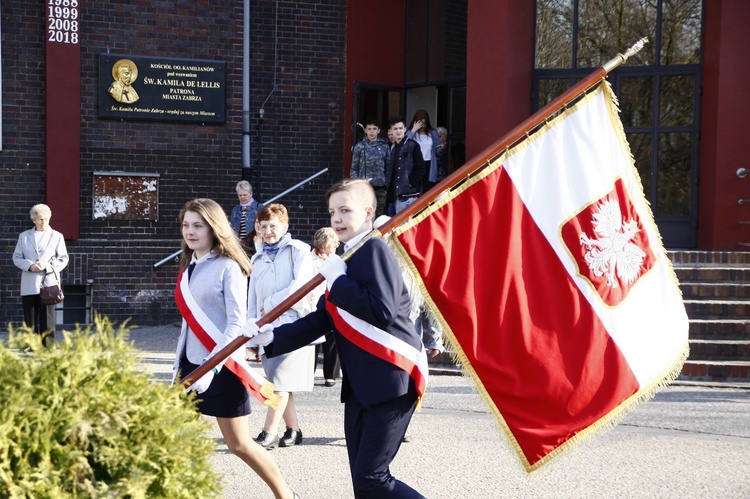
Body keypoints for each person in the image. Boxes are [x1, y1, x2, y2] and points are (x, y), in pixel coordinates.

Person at [243, 179, 428, 498]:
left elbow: (381, 310)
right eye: (332, 212)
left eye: (345, 210)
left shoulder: (373, 249)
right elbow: (323, 318)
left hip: (391, 379)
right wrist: (270, 337)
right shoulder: (346, 255)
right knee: (363, 484)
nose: (337, 218)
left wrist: (339, 281)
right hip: (362, 387)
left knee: (373, 479)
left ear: (368, 213)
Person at [171, 198, 298, 499]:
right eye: (186, 225)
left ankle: (285, 494)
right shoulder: (188, 265)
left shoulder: (229, 267)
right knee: (172, 439)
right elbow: (188, 325)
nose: (190, 231)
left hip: (222, 368)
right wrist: (179, 367)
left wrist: (211, 367)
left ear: (214, 228)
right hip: (192, 366)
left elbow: (236, 325)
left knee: (239, 444)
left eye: (198, 225)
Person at [248, 203, 317, 449]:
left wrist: (273, 302)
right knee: (282, 382)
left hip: (294, 326)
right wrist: (251, 335)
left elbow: (302, 286)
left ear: (285, 226)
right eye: (263, 226)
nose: (268, 231)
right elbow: (253, 300)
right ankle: (294, 429)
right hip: (267, 331)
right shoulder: (257, 258)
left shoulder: (298, 250)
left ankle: (269, 432)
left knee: (277, 384)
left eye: (273, 225)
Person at [13, 203, 69, 346]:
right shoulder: (24, 237)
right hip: (29, 282)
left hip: (48, 281)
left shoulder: (57, 236)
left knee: (47, 317)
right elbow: (17, 258)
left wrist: (48, 266)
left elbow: (63, 258)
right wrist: (30, 266)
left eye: (46, 218)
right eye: (40, 219)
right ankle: (31, 346)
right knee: (30, 317)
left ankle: (48, 346)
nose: (43, 222)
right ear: (34, 220)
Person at [310, 227, 341, 387]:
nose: (337, 244)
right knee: (313, 340)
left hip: (332, 301)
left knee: (332, 340)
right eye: (333, 241)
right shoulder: (309, 260)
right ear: (323, 243)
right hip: (314, 302)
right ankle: (309, 372)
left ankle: (331, 375)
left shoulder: (337, 259)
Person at [350, 116, 390, 217]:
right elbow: (354, 167)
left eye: (374, 129)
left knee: (379, 214)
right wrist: (356, 184)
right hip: (364, 186)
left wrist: (386, 183)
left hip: (380, 186)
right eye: (369, 129)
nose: (372, 132)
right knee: (364, 214)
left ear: (379, 130)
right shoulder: (359, 146)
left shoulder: (384, 146)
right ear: (365, 130)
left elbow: (388, 166)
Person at [385, 116, 426, 216]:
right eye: (395, 129)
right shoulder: (394, 149)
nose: (398, 131)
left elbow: (421, 168)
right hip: (396, 196)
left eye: (400, 128)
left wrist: (411, 183)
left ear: (405, 129)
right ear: (391, 131)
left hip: (409, 195)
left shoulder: (413, 145)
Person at [406, 110, 441, 194]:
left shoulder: (433, 133)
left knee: (428, 190)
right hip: (416, 164)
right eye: (420, 123)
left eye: (424, 123)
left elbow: (437, 152)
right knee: (415, 189)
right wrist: (414, 130)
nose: (422, 126)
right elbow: (405, 145)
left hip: (429, 163)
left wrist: (440, 149)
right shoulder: (411, 132)